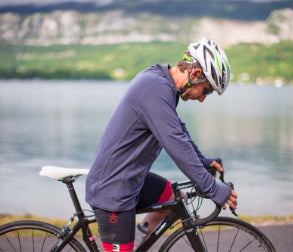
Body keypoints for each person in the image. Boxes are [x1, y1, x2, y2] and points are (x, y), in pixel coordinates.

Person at [86, 37, 238, 252]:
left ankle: (138, 236)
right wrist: (212, 188)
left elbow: (178, 131)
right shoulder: (155, 88)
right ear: (194, 74)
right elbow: (176, 145)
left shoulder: (161, 81)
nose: (203, 99)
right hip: (113, 191)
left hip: (131, 180)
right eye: (206, 91)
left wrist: (203, 161)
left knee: (176, 199)